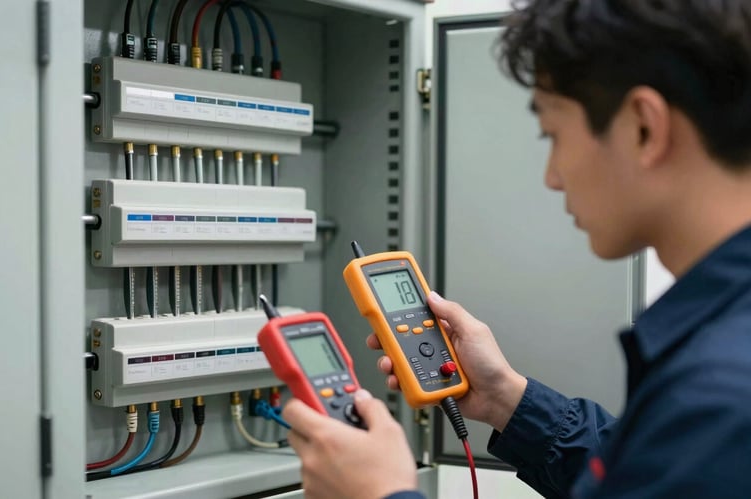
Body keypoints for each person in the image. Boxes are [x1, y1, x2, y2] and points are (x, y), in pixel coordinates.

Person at [282, 0, 751, 497]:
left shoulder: (721, 395)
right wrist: (508, 400)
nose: (552, 177)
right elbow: (646, 473)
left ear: (644, 127)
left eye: (554, 136)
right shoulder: (719, 369)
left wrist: (380, 494)